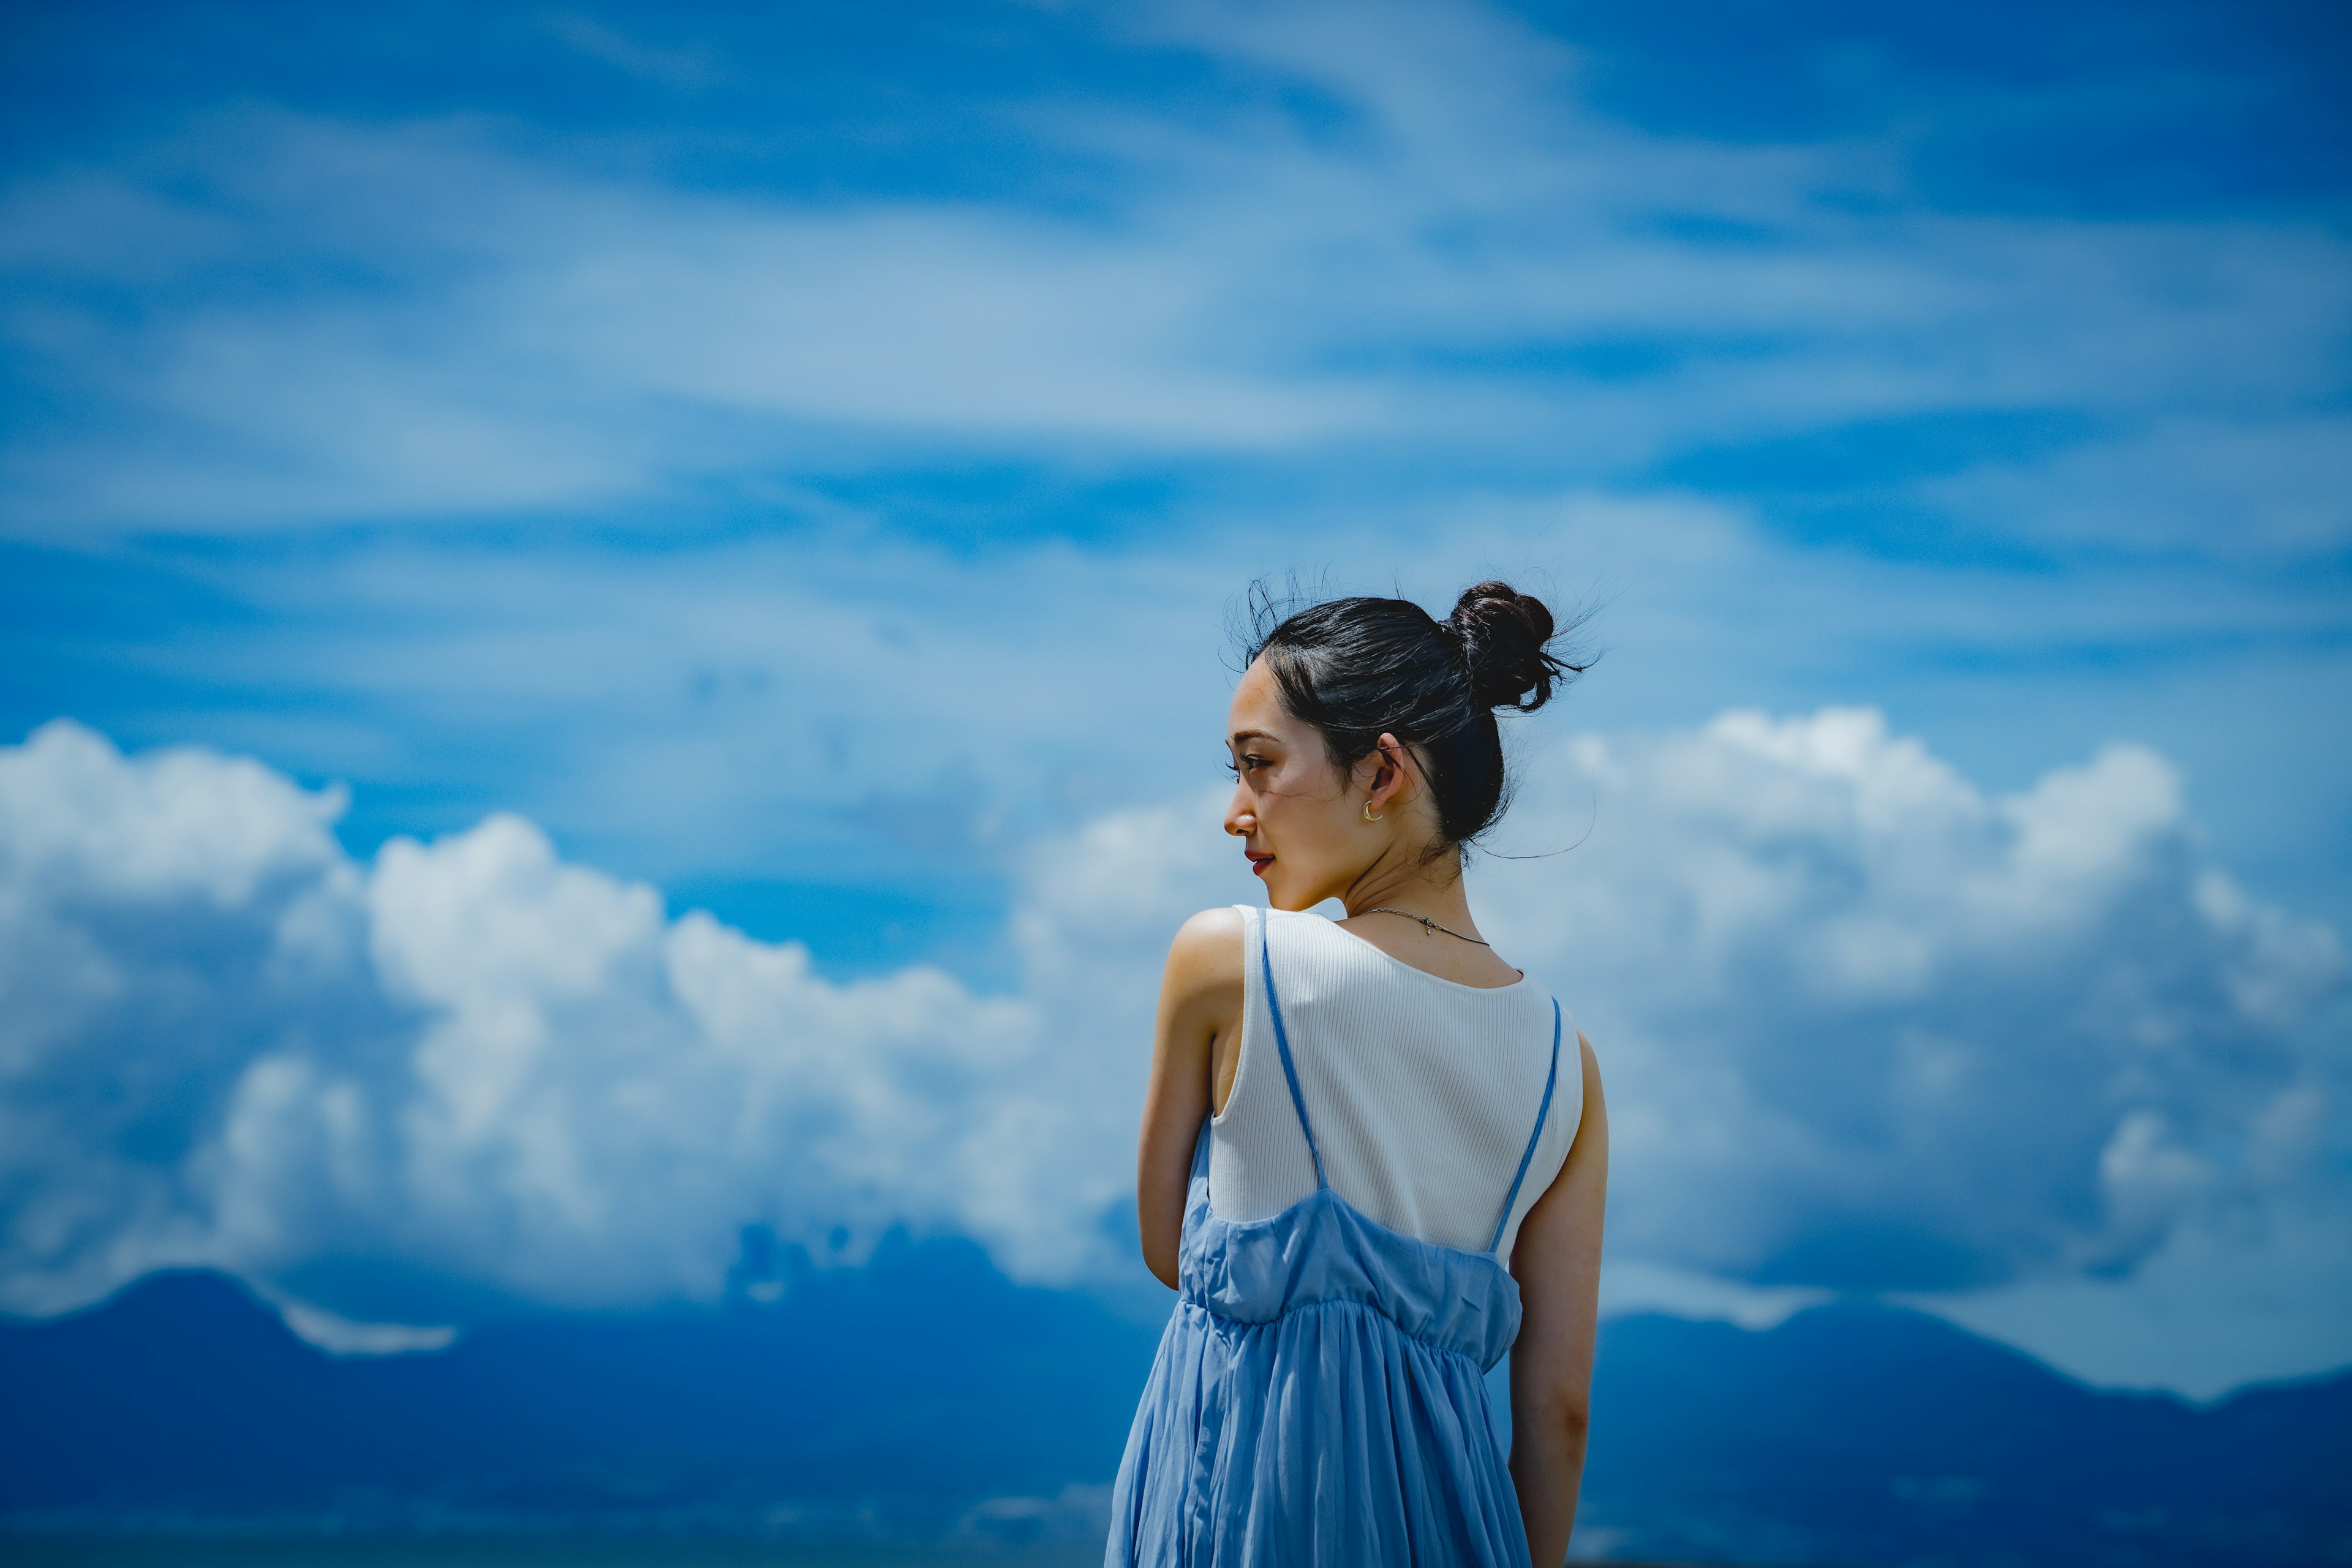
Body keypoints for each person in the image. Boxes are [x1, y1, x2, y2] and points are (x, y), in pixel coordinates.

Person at [1106, 581, 1608, 1568]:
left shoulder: (1230, 962)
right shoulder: (1567, 1061)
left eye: (1258, 766)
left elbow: (1171, 1249)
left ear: (1382, 775)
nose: (1235, 813)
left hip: (1252, 1509)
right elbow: (1558, 1412)